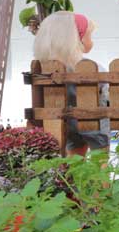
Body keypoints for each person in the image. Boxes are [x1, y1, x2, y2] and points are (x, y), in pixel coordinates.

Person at [32, 11, 109, 155]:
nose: (91, 40)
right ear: (76, 39)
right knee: (100, 166)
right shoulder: (90, 66)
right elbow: (106, 93)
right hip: (94, 124)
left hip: (63, 123)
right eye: (89, 35)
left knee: (74, 164)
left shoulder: (43, 69)